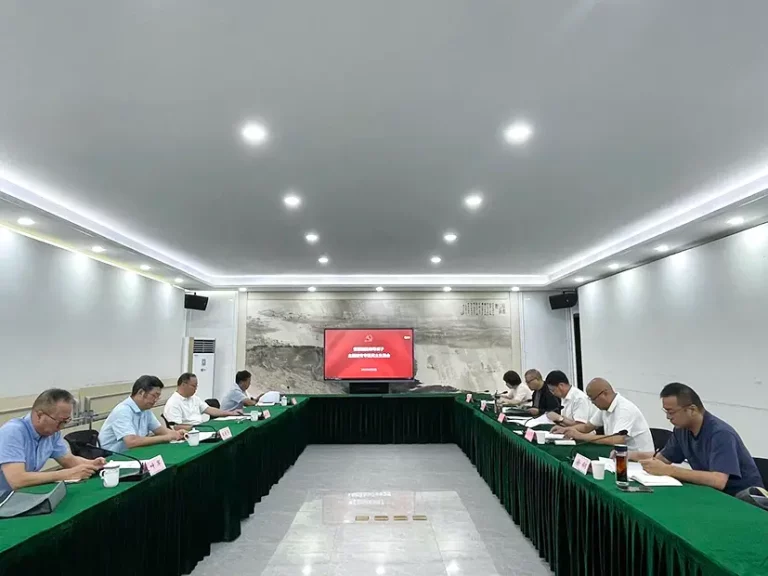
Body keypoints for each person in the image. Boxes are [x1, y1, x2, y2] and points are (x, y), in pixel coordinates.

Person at [630, 383, 763, 496]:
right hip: (712, 494)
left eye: (671, 412)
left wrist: (669, 470)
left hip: (743, 499)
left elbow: (718, 481)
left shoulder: (721, 434)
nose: (668, 418)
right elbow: (661, 460)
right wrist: (641, 463)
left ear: (692, 410)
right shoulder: (681, 430)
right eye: (666, 412)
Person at [0, 389, 106, 491]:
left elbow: (69, 461)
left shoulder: (51, 433)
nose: (62, 427)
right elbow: (17, 480)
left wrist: (92, 464)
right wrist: (67, 474)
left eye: (66, 421)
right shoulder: (13, 431)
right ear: (39, 415)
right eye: (60, 421)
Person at [551, 377, 654, 452]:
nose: (592, 402)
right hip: (617, 454)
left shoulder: (625, 409)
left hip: (637, 460)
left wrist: (581, 436)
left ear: (605, 393)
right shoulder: (604, 408)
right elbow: (587, 427)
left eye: (593, 398)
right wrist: (566, 429)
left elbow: (618, 439)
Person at [99, 375, 184, 452]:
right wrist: (165, 438)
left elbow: (161, 430)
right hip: (110, 456)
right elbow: (132, 442)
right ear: (141, 393)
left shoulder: (145, 410)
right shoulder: (122, 411)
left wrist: (177, 434)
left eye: (158, 397)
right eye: (154, 396)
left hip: (133, 453)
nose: (156, 400)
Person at [163, 373, 244, 430]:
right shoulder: (173, 403)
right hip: (189, 434)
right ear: (183, 385)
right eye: (193, 386)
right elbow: (176, 427)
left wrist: (231, 413)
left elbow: (210, 410)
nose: (196, 389)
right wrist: (198, 428)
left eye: (196, 386)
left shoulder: (194, 398)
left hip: (199, 429)